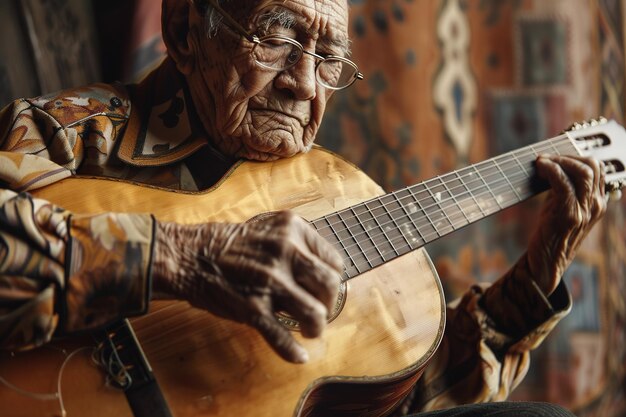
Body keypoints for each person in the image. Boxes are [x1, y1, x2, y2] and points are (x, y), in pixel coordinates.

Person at [0, 0, 606, 416]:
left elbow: (410, 397)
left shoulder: (333, 193)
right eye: (280, 35)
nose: (305, 84)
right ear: (186, 29)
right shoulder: (72, 134)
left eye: (328, 57)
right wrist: (177, 257)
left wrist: (534, 280)